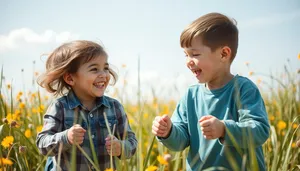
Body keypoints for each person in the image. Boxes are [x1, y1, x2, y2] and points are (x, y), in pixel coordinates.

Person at [152, 12, 270, 170]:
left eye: (195, 54)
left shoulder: (243, 89)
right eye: (186, 55)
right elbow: (180, 141)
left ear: (223, 54)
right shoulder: (190, 96)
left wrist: (224, 129)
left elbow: (260, 130)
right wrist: (168, 132)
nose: (188, 62)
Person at [36, 40, 137, 171]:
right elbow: (42, 144)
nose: (104, 75)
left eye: (105, 68)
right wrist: (66, 137)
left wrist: (121, 147)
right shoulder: (59, 107)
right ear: (70, 78)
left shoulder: (114, 107)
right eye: (94, 69)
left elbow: (132, 143)